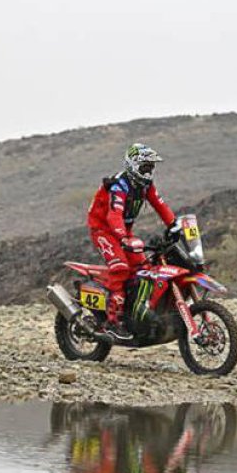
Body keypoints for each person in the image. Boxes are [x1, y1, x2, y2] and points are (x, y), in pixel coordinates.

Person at [86, 143, 177, 340]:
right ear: (133, 165)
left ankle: (134, 312)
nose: (149, 171)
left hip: (123, 230)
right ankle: (112, 321)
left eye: (151, 167)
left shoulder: (145, 186)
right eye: (145, 167)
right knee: (120, 267)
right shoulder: (120, 185)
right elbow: (113, 215)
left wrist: (175, 225)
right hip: (103, 230)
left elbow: (160, 205)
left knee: (143, 268)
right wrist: (122, 237)